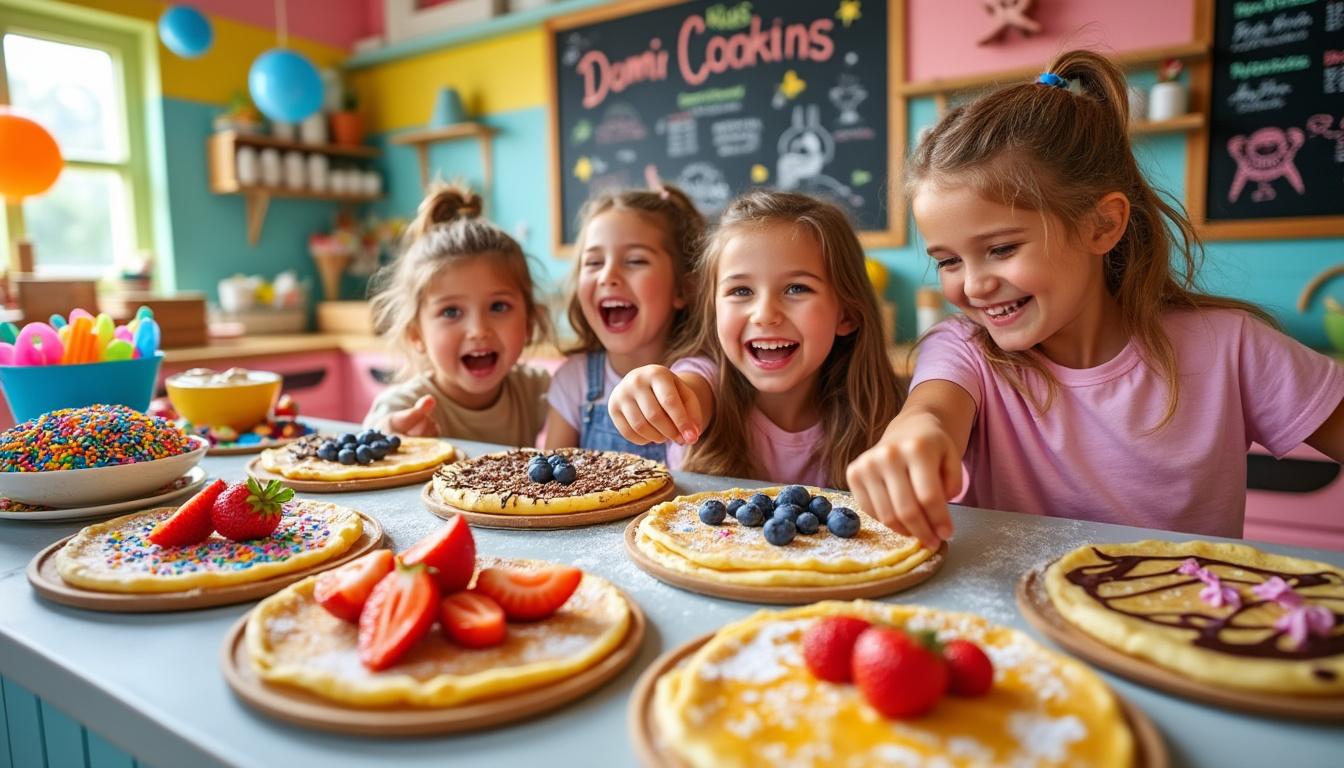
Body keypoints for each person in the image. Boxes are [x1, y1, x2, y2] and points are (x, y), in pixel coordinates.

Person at [846, 50, 1344, 549]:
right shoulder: (966, 349)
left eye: (1000, 249)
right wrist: (911, 438)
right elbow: (931, 411)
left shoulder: (1231, 346)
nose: (973, 286)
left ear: (1101, 224)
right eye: (948, 261)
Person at [608, 189, 903, 487]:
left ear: (846, 314)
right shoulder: (706, 380)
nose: (764, 314)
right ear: (714, 311)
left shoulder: (885, 414)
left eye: (796, 289)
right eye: (741, 291)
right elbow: (688, 392)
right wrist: (654, 391)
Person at [363, 183, 552, 446]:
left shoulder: (537, 390)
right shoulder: (402, 406)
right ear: (416, 334)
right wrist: (388, 440)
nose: (478, 329)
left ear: (529, 322)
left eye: (498, 307)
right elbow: (367, 452)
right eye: (451, 311)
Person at [543, 184, 704, 460]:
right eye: (593, 263)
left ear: (682, 289)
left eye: (635, 261)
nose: (608, 276)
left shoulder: (703, 379)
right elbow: (548, 481)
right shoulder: (573, 381)